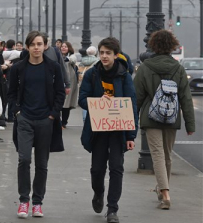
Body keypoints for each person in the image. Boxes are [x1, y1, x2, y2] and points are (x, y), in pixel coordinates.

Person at [78, 37, 138, 223]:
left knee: (116, 168)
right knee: (97, 169)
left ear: (115, 55)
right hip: (98, 128)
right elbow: (82, 100)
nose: (104, 56)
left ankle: (112, 209)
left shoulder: (124, 76)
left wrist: (131, 135)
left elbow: (132, 106)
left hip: (118, 129)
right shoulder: (92, 74)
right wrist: (96, 102)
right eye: (102, 52)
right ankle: (98, 193)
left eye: (108, 53)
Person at [133, 29, 195, 210]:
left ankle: (165, 193)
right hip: (171, 117)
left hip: (150, 118)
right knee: (167, 155)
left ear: (153, 45)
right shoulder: (178, 68)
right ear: (172, 46)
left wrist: (131, 121)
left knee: (157, 154)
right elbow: (186, 98)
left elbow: (136, 97)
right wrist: (190, 124)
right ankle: (162, 190)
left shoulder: (145, 67)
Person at [8, 31, 65, 218]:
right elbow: (12, 92)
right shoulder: (18, 68)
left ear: (45, 46)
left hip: (45, 120)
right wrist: (17, 112)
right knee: (24, 159)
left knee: (42, 164)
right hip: (24, 119)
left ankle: (37, 203)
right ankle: (23, 201)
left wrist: (53, 114)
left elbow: (60, 92)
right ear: (27, 47)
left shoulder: (53, 67)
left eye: (39, 44)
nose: (36, 47)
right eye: (32, 44)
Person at [60, 41, 79, 129]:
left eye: (65, 46)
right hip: (60, 82)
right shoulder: (58, 57)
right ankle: (59, 121)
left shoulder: (71, 57)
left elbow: (73, 60)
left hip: (70, 83)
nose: (63, 48)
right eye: (62, 46)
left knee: (66, 104)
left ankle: (64, 122)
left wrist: (66, 59)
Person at [79, 46, 99, 122]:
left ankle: (85, 118)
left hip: (83, 80)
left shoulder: (83, 61)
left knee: (85, 98)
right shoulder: (97, 61)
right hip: (94, 82)